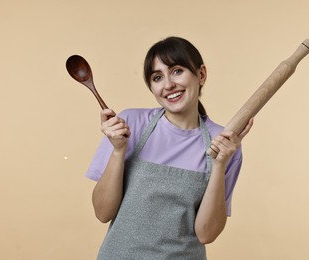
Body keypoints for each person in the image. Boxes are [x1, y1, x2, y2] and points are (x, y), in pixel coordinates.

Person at [86, 36, 254, 259]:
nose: (168, 85)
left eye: (177, 71)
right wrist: (118, 150)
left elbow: (207, 234)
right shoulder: (129, 125)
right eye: (157, 77)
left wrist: (220, 163)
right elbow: (102, 212)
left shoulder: (223, 141)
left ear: (201, 74)